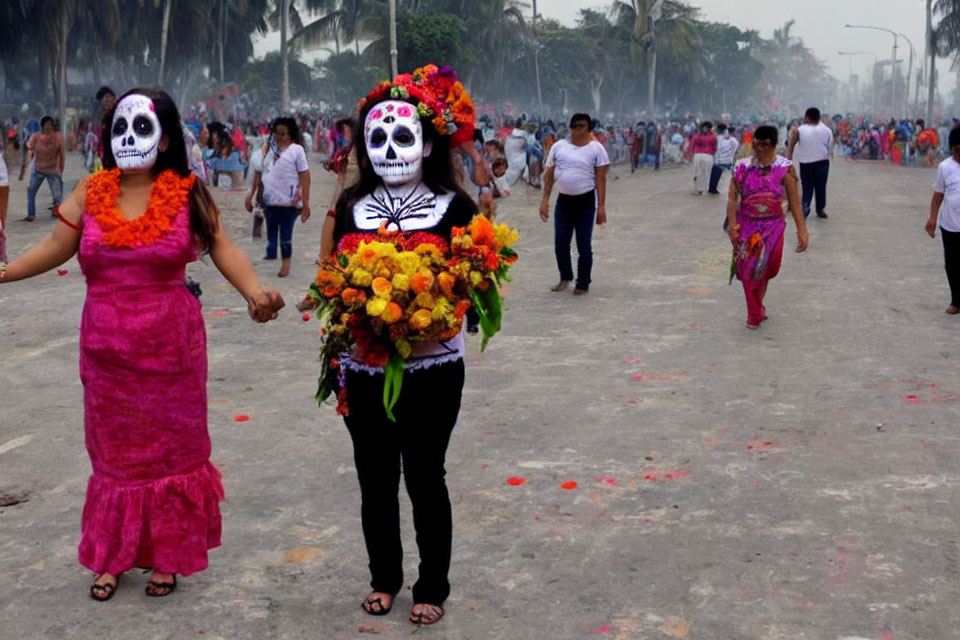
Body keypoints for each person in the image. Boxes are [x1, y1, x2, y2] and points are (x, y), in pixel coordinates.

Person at [0, 88, 284, 601]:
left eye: (142, 129)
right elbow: (54, 245)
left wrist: (254, 292)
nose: (127, 139)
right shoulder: (91, 189)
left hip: (172, 354)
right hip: (107, 357)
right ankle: (111, 557)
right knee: (113, 456)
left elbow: (223, 247)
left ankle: (166, 556)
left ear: (166, 137)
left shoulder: (186, 190)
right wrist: (4, 272)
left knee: (171, 455)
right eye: (119, 130)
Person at [330, 65, 479, 627]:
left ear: (429, 140)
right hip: (362, 368)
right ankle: (384, 578)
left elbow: (475, 283)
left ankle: (432, 583)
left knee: (424, 474)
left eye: (403, 136)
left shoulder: (455, 208)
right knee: (373, 476)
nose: (390, 149)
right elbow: (334, 273)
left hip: (433, 368)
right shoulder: (350, 207)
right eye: (378, 138)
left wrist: (435, 305)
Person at [726, 125, 809, 328]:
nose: (759, 148)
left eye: (764, 144)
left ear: (773, 145)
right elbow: (732, 198)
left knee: (767, 267)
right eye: (756, 143)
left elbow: (795, 202)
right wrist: (732, 225)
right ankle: (753, 313)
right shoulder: (741, 166)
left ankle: (758, 305)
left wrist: (802, 229)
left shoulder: (785, 167)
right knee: (749, 268)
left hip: (774, 227)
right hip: (748, 227)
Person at [539, 112, 609, 295]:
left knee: (583, 244)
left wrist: (601, 207)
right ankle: (565, 277)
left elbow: (601, 179)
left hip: (585, 200)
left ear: (589, 129)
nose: (576, 130)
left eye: (581, 126)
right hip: (564, 201)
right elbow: (549, 176)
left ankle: (583, 282)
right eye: (573, 126)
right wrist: (544, 200)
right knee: (561, 242)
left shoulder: (596, 149)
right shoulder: (558, 147)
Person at [244, 117, 310, 277]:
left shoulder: (296, 150)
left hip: (290, 203)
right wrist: (250, 195)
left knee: (286, 236)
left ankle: (285, 265)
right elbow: (259, 174)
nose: (279, 136)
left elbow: (305, 176)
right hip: (270, 201)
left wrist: (306, 204)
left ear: (291, 135)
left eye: (283, 133)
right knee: (272, 231)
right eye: (276, 133)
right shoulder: (270, 151)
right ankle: (271, 253)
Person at [925, 127, 960, 314]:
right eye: (957, 151)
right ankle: (956, 301)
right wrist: (932, 219)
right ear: (952, 149)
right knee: (952, 264)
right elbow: (938, 195)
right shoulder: (945, 167)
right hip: (951, 225)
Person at [787, 107, 833, 219]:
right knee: (820, 186)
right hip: (822, 162)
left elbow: (792, 143)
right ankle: (820, 209)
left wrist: (789, 156)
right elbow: (830, 146)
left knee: (807, 185)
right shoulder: (827, 130)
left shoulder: (801, 130)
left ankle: (805, 206)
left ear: (807, 117)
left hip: (806, 162)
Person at [19, 115, 65, 221]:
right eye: (46, 125)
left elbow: (62, 155)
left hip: (53, 170)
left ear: (53, 126)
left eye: (50, 125)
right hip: (38, 170)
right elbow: (29, 152)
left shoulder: (58, 138)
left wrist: (60, 170)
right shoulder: (36, 136)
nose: (48, 127)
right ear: (42, 126)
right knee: (31, 191)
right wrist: (24, 169)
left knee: (57, 195)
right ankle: (31, 214)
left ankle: (56, 210)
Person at [709, 124, 739, 195]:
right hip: (728, 161)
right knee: (733, 175)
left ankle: (712, 189)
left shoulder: (715, 138)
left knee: (715, 176)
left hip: (718, 161)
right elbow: (736, 149)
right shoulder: (732, 140)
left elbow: (713, 149)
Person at [690, 121, 716, 195]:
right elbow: (692, 146)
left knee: (705, 173)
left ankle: (701, 189)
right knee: (697, 172)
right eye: (704, 127)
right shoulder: (696, 136)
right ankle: (698, 188)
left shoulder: (713, 137)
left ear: (709, 129)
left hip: (708, 155)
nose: (705, 129)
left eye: (707, 128)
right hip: (698, 155)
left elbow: (714, 147)